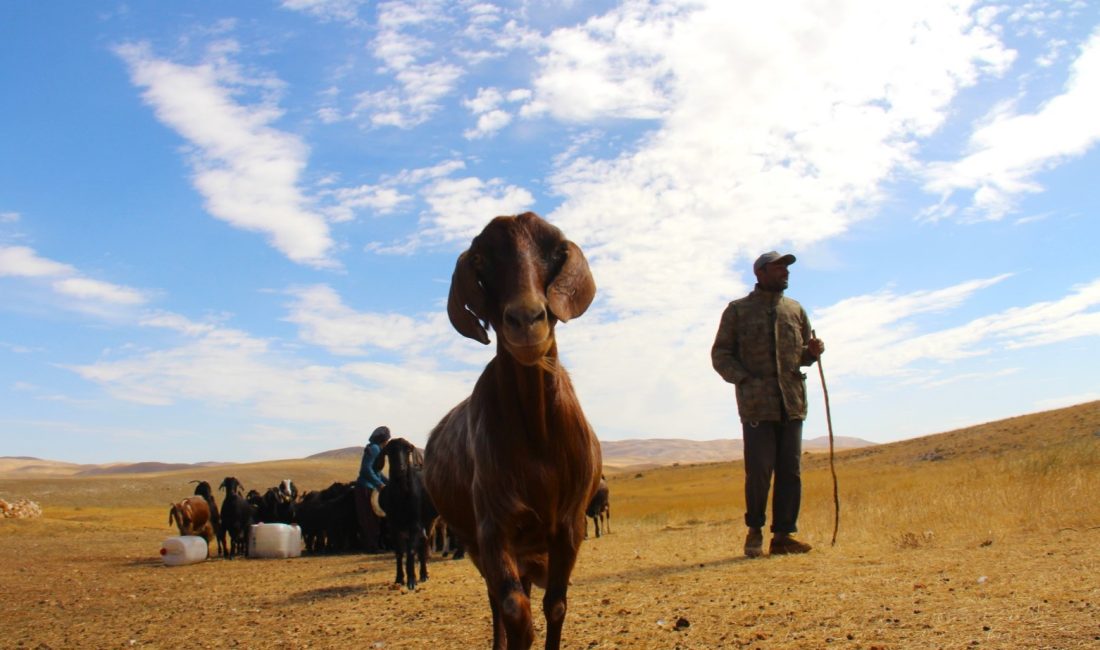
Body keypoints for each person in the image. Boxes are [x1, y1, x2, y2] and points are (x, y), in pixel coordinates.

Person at [711, 251, 825, 557]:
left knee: (791, 471)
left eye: (787, 269)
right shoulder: (737, 311)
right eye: (779, 268)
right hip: (756, 406)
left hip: (792, 403)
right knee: (760, 471)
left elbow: (801, 356)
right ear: (760, 272)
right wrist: (745, 380)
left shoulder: (795, 310)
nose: (785, 273)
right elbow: (720, 355)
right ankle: (755, 530)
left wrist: (812, 352)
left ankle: (784, 536)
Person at [354, 425, 391, 553]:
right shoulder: (375, 449)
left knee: (372, 518)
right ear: (384, 440)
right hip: (366, 488)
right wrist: (379, 484)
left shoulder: (376, 449)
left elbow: (377, 471)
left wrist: (388, 482)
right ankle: (371, 547)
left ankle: (374, 545)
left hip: (369, 487)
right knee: (369, 518)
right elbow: (366, 470)